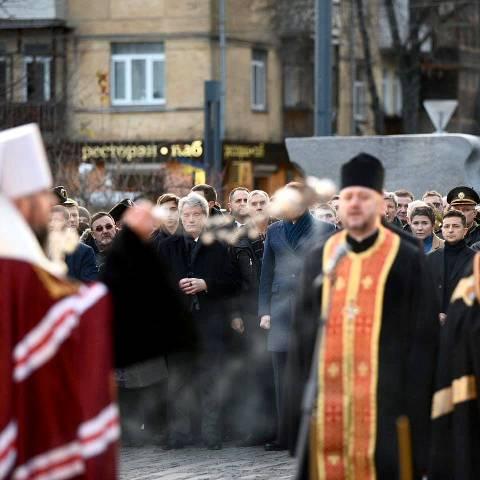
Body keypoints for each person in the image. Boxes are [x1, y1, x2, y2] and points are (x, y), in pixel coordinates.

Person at [0, 123, 195, 479]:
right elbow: (84, 318)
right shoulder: (16, 269)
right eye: (42, 200)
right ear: (24, 205)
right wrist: (132, 251)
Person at [286, 153, 439, 479]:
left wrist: (417, 418)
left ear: (381, 205)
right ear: (339, 205)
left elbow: (424, 343)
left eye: (364, 198)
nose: (354, 204)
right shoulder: (321, 256)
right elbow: (302, 336)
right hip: (328, 404)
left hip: (388, 405)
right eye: (348, 197)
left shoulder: (407, 258)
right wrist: (295, 408)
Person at [157, 193, 240, 450]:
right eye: (187, 215)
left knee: (210, 379)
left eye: (196, 215)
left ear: (205, 216)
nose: (191, 219)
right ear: (181, 217)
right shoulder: (167, 246)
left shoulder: (221, 245)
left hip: (211, 322)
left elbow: (234, 283)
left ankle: (211, 435)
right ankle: (178, 435)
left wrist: (207, 284)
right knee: (178, 381)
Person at [258, 182, 335, 452]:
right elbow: (266, 272)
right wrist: (264, 311)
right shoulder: (275, 230)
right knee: (282, 376)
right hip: (279, 311)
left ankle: (313, 434)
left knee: (310, 373)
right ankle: (285, 434)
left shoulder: (325, 230)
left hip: (312, 310)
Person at [229, 190, 276, 446]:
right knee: (255, 373)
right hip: (249, 312)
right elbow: (234, 280)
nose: (256, 206)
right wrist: (235, 313)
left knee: (276, 372)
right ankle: (258, 429)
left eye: (261, 202)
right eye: (252, 202)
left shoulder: (278, 232)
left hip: (276, 311)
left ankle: (279, 427)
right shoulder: (238, 237)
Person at [426, 209, 474, 323]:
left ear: (465, 231)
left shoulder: (476, 260)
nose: (450, 230)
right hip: (435, 326)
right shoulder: (430, 258)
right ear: (442, 229)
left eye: (456, 226)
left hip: (466, 326)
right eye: (446, 226)